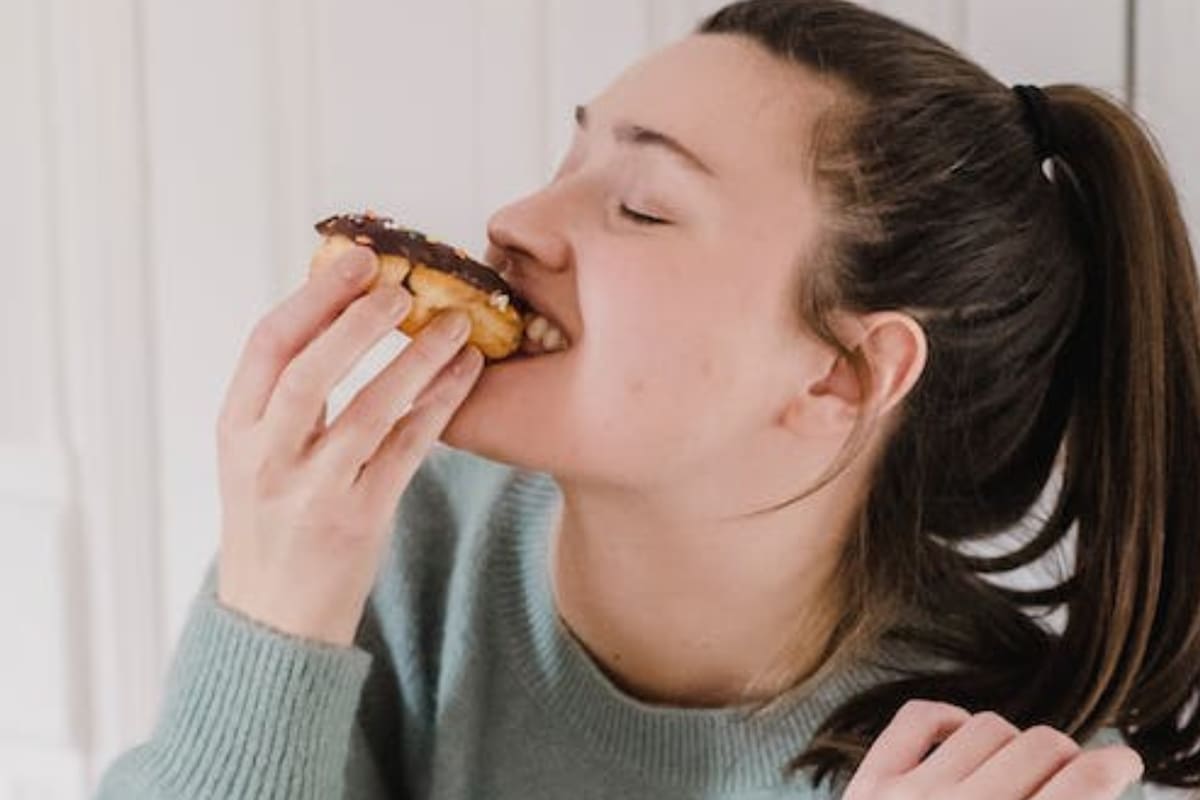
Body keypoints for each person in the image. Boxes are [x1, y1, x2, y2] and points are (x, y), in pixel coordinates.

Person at [95, 1, 1200, 797]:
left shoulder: (1000, 771)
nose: (516, 220)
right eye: (566, 158)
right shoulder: (389, 543)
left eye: (639, 205)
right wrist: (275, 612)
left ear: (842, 373)